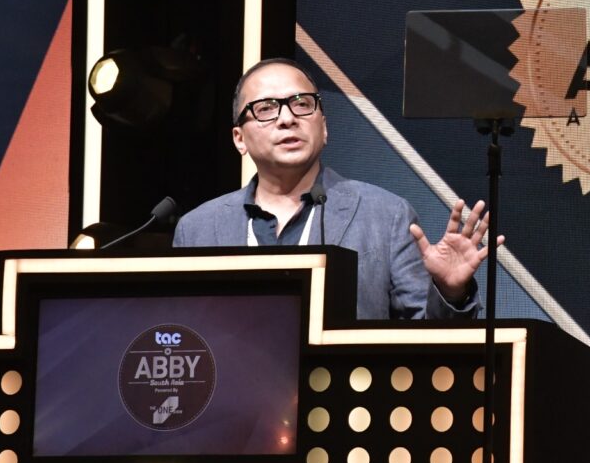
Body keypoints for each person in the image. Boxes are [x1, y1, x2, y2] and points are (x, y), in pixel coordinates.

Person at [173, 58, 502, 319]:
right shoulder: (197, 230)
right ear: (239, 139)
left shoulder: (386, 216)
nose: (287, 118)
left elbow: (425, 343)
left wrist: (448, 292)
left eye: (302, 103)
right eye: (266, 108)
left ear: (325, 128)